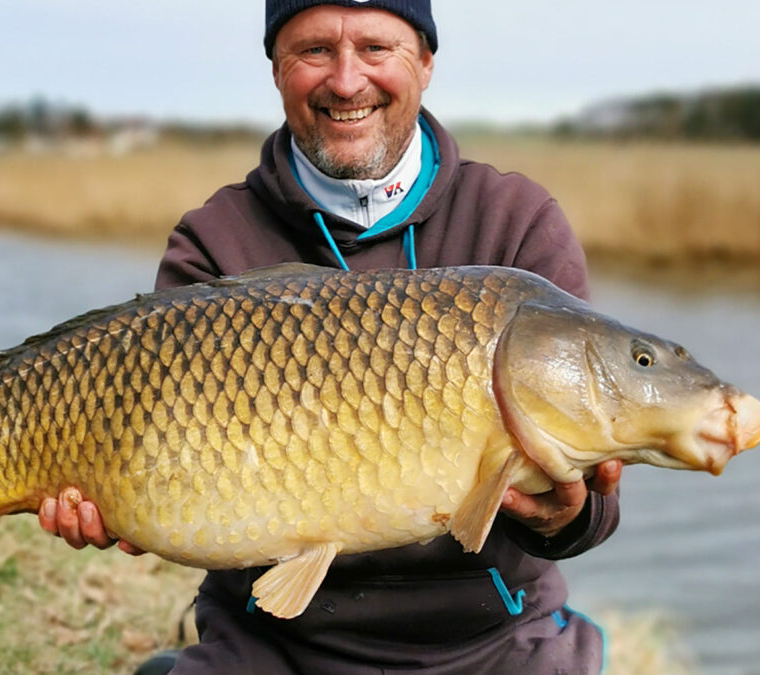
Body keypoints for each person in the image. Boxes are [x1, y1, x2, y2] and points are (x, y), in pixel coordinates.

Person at [40, 1, 623, 672]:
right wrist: (117, 506)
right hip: (276, 643)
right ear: (277, 67)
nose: (347, 82)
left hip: (492, 639)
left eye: (376, 48)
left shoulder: (515, 226)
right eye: (315, 50)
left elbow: (594, 512)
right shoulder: (216, 239)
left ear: (426, 62)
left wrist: (564, 513)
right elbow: (167, 485)